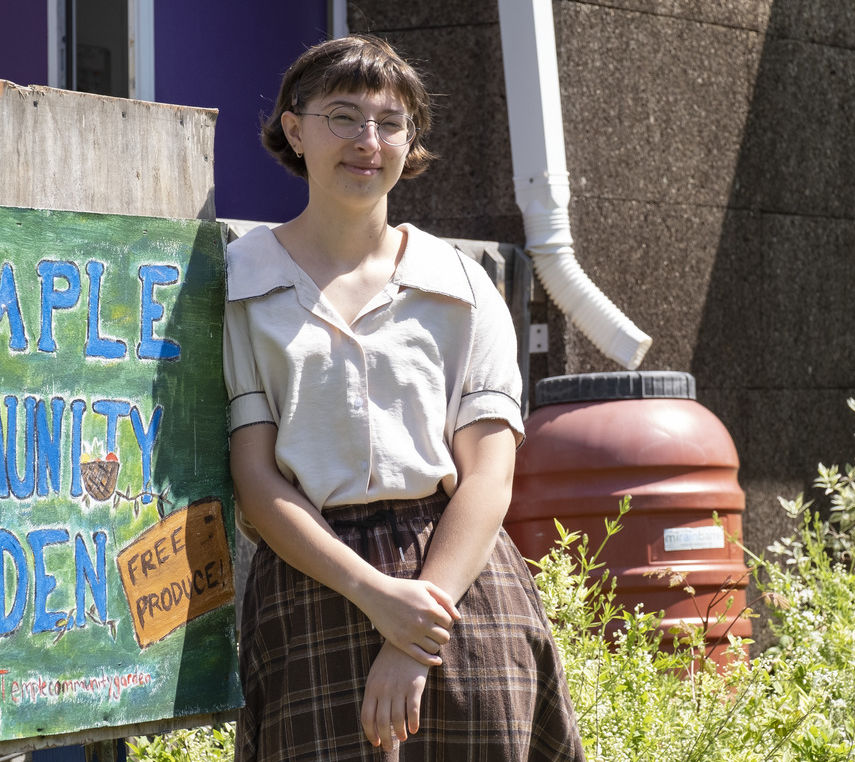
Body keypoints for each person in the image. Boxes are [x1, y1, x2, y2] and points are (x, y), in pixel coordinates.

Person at [224, 35, 585, 761]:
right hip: (311, 583)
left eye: (389, 123)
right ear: (294, 129)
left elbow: (489, 475)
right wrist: (375, 597)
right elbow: (256, 481)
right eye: (343, 116)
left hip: (459, 584)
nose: (368, 141)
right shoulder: (240, 284)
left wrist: (415, 635)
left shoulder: (460, 285)